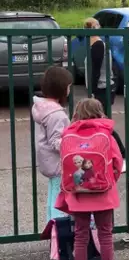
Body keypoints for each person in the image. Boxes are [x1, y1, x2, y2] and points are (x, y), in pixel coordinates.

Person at [55, 98, 125, 260]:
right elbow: (118, 163)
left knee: (80, 236)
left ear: (77, 113)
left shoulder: (68, 137)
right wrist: (108, 181)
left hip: (78, 194)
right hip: (103, 193)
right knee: (105, 235)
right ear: (100, 112)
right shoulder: (106, 135)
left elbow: (64, 166)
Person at [32, 66, 72, 222]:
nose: (69, 90)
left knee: (53, 197)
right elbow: (56, 141)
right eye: (68, 86)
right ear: (61, 88)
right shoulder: (57, 114)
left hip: (48, 161)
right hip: (58, 165)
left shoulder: (42, 108)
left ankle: (53, 229)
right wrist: (72, 143)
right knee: (60, 201)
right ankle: (59, 234)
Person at [83, 18, 116, 115]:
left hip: (101, 89)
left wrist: (92, 90)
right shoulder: (94, 44)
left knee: (100, 120)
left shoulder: (98, 45)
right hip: (101, 87)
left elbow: (96, 69)